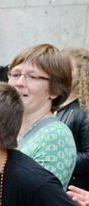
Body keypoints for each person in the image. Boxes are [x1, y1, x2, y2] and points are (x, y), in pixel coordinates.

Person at [7, 44, 76, 189]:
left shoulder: (56, 135)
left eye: (32, 76)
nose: (19, 83)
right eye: (15, 74)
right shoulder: (4, 126)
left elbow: (38, 199)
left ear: (54, 90)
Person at [56, 46, 89, 190]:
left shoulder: (84, 111)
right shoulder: (55, 106)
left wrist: (56, 159)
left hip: (76, 192)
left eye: (65, 68)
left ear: (81, 73)